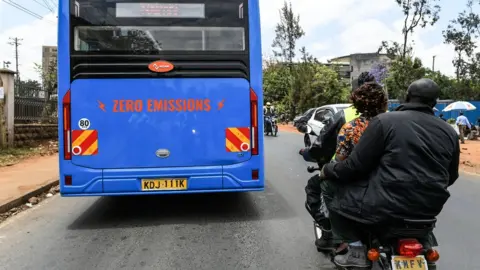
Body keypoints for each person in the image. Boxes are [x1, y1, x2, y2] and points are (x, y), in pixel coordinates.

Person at [319, 78, 460, 268]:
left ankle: (356, 250)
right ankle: (425, 249)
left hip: (382, 206)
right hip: (429, 209)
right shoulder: (449, 132)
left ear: (406, 97)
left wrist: (328, 170)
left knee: (329, 189)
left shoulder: (383, 122)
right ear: (434, 103)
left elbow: (354, 166)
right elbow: (451, 176)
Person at [298, 71, 376, 251]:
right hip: (381, 175)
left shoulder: (346, 118)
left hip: (348, 173)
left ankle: (330, 233)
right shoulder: (388, 117)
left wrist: (310, 154)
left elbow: (324, 146)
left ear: (355, 93)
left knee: (316, 186)